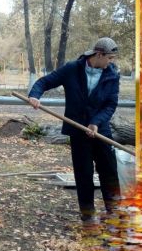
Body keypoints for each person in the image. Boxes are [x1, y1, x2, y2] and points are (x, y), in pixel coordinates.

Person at [28, 37, 121, 223]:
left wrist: (95, 122)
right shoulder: (72, 69)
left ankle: (115, 212)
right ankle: (88, 216)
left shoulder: (112, 74)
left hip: (100, 130)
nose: (111, 62)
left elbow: (111, 104)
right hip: (78, 132)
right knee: (83, 174)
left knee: (109, 171)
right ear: (99, 54)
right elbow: (44, 82)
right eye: (109, 58)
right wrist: (35, 95)